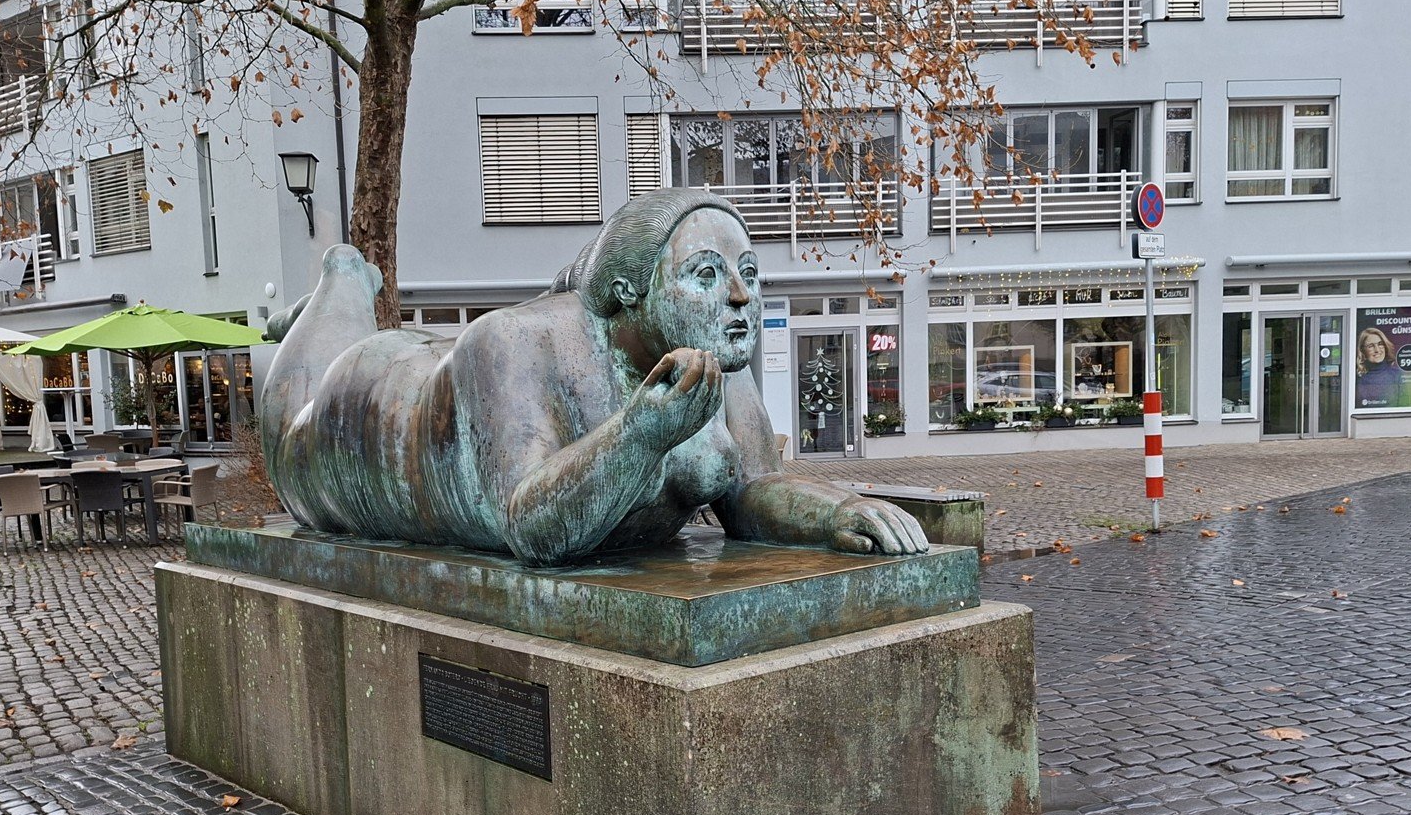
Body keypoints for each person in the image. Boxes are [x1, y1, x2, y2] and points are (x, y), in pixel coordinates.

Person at [260, 189, 928, 566]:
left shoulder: (715, 354)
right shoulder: (515, 342)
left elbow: (753, 491)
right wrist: (641, 436)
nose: (739, 296)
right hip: (362, 414)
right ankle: (341, 277)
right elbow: (529, 525)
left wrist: (835, 512)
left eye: (747, 274)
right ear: (625, 291)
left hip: (436, 385)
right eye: (705, 275)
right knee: (292, 410)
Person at [1356, 326, 1402, 408]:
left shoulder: (1396, 375)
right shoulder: (1356, 378)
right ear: (1362, 350)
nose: (1377, 350)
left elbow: (1404, 407)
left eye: (1380, 344)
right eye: (1371, 346)